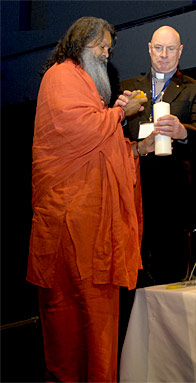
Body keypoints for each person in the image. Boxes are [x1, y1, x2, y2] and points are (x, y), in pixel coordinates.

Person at [27, 17, 151, 382]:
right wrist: (118, 113)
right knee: (67, 318)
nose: (106, 52)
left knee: (96, 316)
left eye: (109, 48)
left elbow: (98, 144)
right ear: (81, 41)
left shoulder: (84, 85)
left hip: (90, 221)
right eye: (101, 45)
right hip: (70, 218)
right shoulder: (61, 75)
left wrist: (134, 150)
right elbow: (77, 130)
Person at [120, 25, 196, 286]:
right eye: (158, 48)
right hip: (134, 185)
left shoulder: (195, 89)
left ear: (180, 51)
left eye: (170, 49)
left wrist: (183, 131)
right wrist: (120, 117)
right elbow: (112, 135)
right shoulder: (129, 89)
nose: (163, 54)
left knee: (169, 268)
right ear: (149, 49)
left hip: (173, 191)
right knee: (134, 267)